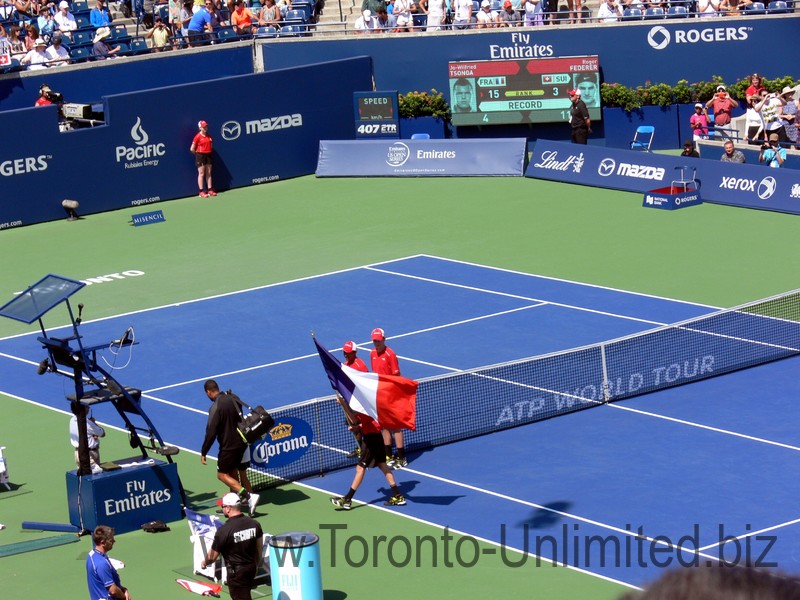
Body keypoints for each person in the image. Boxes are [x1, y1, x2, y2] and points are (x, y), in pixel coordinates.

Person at [330, 397, 407, 510]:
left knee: (360, 468)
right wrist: (357, 426)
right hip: (377, 439)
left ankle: (347, 499)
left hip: (371, 441)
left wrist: (343, 405)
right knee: (383, 466)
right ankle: (398, 496)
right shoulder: (371, 407)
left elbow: (355, 421)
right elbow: (361, 423)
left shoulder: (366, 410)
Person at [200, 379, 259, 515]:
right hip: (242, 443)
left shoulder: (216, 407)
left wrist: (204, 451)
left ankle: (249, 497)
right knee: (233, 474)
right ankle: (233, 507)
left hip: (229, 447)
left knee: (222, 475)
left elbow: (211, 432)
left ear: (208, 392)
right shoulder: (234, 398)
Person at [200, 493, 264, 600]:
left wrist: (204, 563)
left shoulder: (224, 531)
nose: (222, 509)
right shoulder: (254, 524)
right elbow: (259, 548)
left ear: (229, 508)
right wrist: (256, 565)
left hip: (236, 574)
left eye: (223, 506)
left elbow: (212, 557)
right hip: (251, 568)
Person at [369, 327, 408, 469]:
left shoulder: (391, 354)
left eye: (378, 340)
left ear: (384, 339)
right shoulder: (372, 353)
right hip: (379, 395)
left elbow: (397, 376)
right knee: (384, 426)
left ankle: (402, 458)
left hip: (391, 395)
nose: (376, 343)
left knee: (395, 427)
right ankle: (388, 456)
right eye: (374, 340)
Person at [86, 526, 131, 600]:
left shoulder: (92, 554)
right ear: (103, 543)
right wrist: (124, 597)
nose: (114, 541)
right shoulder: (101, 564)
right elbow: (113, 591)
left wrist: (124, 589)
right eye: (111, 540)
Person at [70, 404, 106, 473]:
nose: (89, 408)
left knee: (83, 476)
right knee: (96, 475)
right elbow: (102, 433)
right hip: (88, 455)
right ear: (83, 409)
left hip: (79, 453)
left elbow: (84, 433)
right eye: (87, 407)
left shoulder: (72, 420)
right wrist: (94, 423)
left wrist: (93, 434)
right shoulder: (88, 423)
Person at [190, 120, 216, 197]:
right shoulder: (197, 137)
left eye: (206, 126)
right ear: (200, 128)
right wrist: (198, 155)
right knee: (201, 173)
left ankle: (210, 190)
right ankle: (201, 191)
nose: (205, 128)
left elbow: (211, 146)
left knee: (209, 172)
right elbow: (192, 149)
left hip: (208, 155)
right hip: (200, 156)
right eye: (203, 127)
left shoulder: (209, 136)